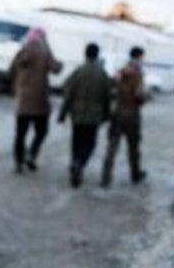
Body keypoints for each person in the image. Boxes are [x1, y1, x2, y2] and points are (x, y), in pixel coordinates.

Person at [58, 43, 111, 188]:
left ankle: (75, 162)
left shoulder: (78, 71)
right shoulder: (103, 74)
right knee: (90, 143)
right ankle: (80, 163)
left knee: (76, 141)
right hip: (94, 116)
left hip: (77, 114)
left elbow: (68, 93)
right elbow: (108, 96)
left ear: (85, 54)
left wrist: (63, 113)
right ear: (97, 54)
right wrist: (107, 115)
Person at [8, 27, 60, 173]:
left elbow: (11, 70)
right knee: (42, 131)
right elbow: (56, 69)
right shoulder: (45, 52)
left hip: (23, 100)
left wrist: (17, 87)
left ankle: (18, 163)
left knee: (20, 134)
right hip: (39, 101)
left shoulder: (22, 51)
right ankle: (31, 154)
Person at [103, 45, 150, 187]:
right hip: (132, 115)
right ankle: (135, 174)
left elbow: (112, 88)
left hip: (118, 113)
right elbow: (139, 95)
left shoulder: (121, 70)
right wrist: (146, 97)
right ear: (139, 56)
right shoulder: (137, 72)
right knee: (133, 147)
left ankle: (105, 177)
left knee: (112, 147)